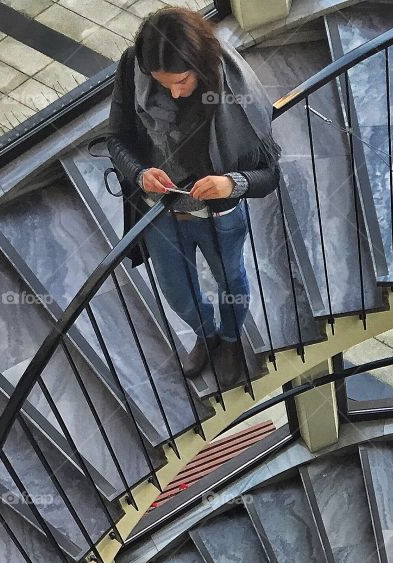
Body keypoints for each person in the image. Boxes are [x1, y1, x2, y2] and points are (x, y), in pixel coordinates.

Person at [107, 8, 280, 383]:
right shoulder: (130, 68)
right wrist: (139, 173)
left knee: (230, 280)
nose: (173, 92)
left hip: (219, 217)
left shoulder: (232, 91)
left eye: (182, 81)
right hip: (161, 212)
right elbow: (116, 139)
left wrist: (231, 184)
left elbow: (269, 175)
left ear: (199, 65)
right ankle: (206, 335)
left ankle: (231, 339)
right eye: (160, 82)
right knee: (176, 293)